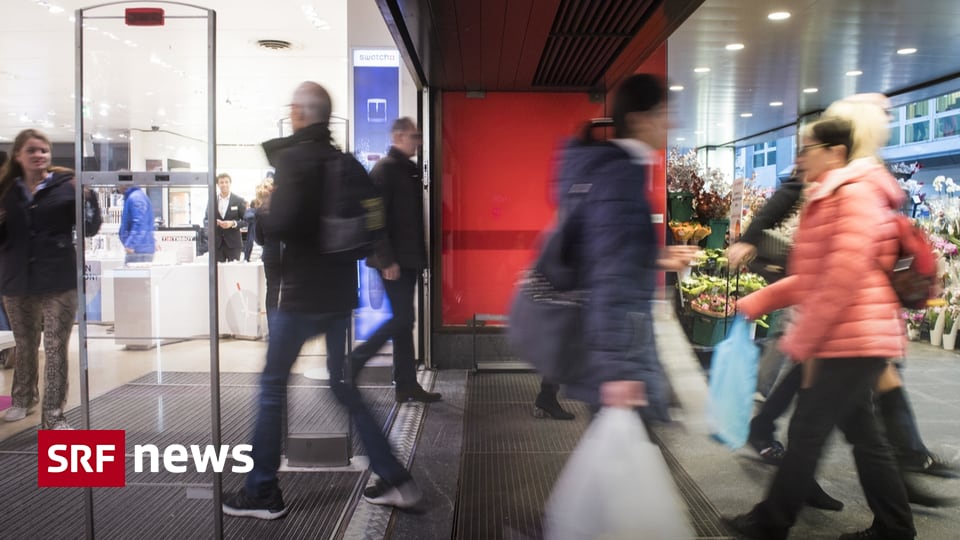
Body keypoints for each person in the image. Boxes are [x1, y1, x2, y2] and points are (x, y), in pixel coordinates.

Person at [222, 82, 421, 520]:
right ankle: (394, 477)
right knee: (341, 384)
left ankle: (261, 490)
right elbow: (374, 218)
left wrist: (267, 211)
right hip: (338, 294)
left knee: (273, 386)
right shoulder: (347, 163)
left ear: (298, 113)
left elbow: (284, 225)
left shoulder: (294, 160)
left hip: (299, 296)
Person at [724, 110, 915, 540]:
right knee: (864, 436)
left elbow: (843, 276)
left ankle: (771, 522)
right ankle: (894, 527)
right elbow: (817, 275)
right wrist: (761, 300)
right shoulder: (831, 194)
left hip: (851, 337)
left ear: (836, 152)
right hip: (850, 335)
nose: (799, 159)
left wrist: (804, 338)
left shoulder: (853, 196)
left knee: (808, 430)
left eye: (806, 150)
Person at [552, 74, 697, 419]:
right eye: (663, 112)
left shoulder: (618, 173)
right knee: (622, 462)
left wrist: (657, 257)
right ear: (638, 119)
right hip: (622, 354)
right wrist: (617, 370)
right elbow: (610, 274)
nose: (671, 122)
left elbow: (614, 251)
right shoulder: (620, 178)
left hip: (623, 345)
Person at [0, 129, 102, 428]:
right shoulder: (7, 191)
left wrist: (89, 200)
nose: (39, 155)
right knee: (24, 343)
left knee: (56, 347)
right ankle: (22, 398)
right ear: (18, 155)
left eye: (43, 150)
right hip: (17, 278)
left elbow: (90, 227)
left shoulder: (66, 185)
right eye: (32, 150)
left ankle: (54, 415)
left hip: (58, 277)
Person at [348, 117, 441, 404]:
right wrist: (387, 260)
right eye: (414, 136)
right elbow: (376, 219)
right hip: (394, 261)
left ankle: (405, 385)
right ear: (399, 136)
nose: (418, 141)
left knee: (405, 323)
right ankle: (356, 360)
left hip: (408, 259)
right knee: (402, 319)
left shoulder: (408, 170)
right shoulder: (385, 170)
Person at [252, 178, 281, 315]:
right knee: (291, 292)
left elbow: (258, 238)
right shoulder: (286, 209)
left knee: (272, 291)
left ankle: (273, 329)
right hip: (288, 254)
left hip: (270, 255)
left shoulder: (259, 213)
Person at [211, 173, 246, 262]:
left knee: (234, 272)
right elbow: (206, 219)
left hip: (234, 244)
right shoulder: (212, 200)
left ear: (230, 183)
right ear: (217, 184)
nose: (224, 184)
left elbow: (246, 221)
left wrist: (233, 223)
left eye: (226, 182)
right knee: (218, 273)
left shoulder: (239, 200)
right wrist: (213, 222)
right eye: (221, 182)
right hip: (217, 244)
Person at [118, 183, 156, 264]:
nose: (117, 187)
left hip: (138, 251)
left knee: (133, 276)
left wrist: (130, 244)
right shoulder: (134, 197)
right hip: (140, 249)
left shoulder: (135, 197)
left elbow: (140, 223)